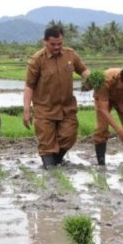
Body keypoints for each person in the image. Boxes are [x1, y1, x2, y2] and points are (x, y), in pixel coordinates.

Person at [23, 26, 89, 169]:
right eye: (53, 44)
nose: (57, 47)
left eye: (60, 43)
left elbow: (83, 70)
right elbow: (29, 86)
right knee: (46, 143)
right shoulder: (37, 60)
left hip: (67, 107)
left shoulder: (70, 55)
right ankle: (51, 172)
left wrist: (89, 78)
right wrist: (27, 110)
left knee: (69, 137)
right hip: (44, 108)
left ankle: (55, 163)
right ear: (44, 42)